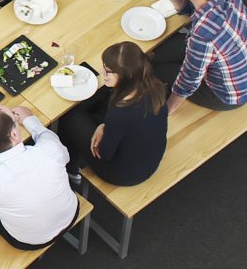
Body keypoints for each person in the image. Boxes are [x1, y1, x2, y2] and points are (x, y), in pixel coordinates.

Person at [0, 104, 82, 249]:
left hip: (31, 240)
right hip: (70, 214)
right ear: (14, 135)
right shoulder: (49, 150)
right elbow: (49, 140)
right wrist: (29, 119)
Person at [152, 0, 247, 110]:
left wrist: (168, 110)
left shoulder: (204, 35)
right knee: (156, 53)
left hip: (228, 94)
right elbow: (191, 10)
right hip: (246, 67)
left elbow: (188, 81)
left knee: (149, 69)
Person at [59, 41, 171, 188]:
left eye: (108, 71)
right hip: (150, 157)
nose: (103, 73)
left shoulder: (121, 113)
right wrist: (104, 126)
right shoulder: (155, 87)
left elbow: (104, 154)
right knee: (102, 97)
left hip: (122, 173)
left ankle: (70, 170)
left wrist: (105, 127)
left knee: (69, 117)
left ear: (126, 75)